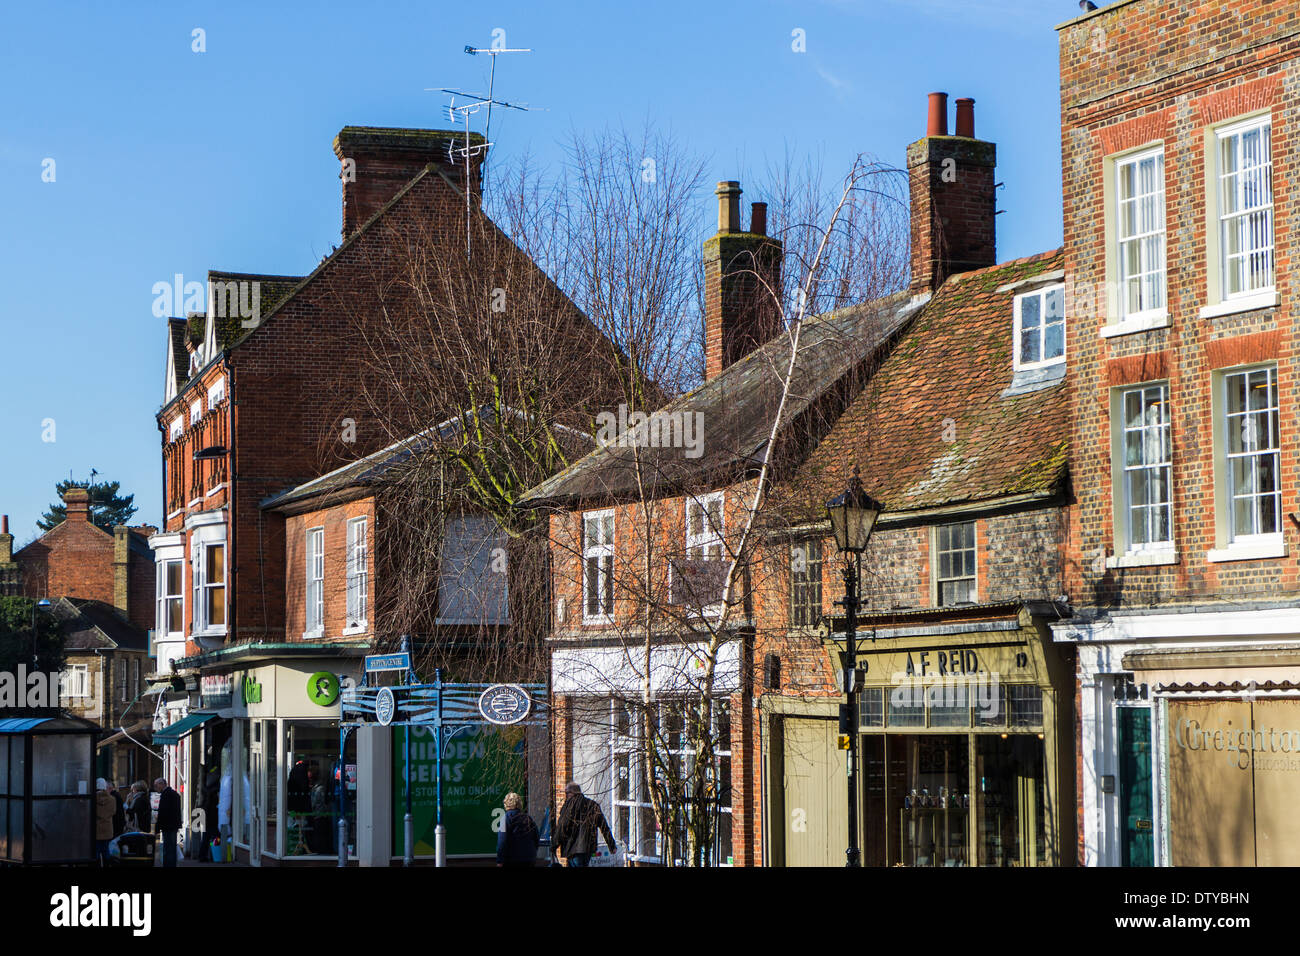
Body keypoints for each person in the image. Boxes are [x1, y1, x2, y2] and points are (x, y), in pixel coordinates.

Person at [554, 781, 616, 867]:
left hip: (572, 848)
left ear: (572, 793)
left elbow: (562, 827)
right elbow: (604, 826)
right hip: (588, 847)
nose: (566, 795)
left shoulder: (568, 807)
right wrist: (611, 845)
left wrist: (554, 845)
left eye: (567, 793)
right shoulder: (593, 805)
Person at [496, 792, 540, 867]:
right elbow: (536, 836)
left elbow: (502, 841)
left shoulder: (505, 819)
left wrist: (500, 860)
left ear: (506, 804)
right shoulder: (528, 818)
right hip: (529, 858)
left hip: (513, 860)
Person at [153, 777, 182, 867]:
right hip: (174, 825)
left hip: (167, 825)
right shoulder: (175, 794)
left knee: (167, 847)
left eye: (156, 785)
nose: (155, 787)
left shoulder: (165, 795)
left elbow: (162, 812)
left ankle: (168, 865)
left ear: (162, 784)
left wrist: (157, 827)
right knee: (172, 847)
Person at [94, 778, 115, 866]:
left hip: (96, 830)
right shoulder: (112, 799)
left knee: (96, 853)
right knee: (106, 852)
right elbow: (113, 812)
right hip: (107, 829)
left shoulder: (92, 798)